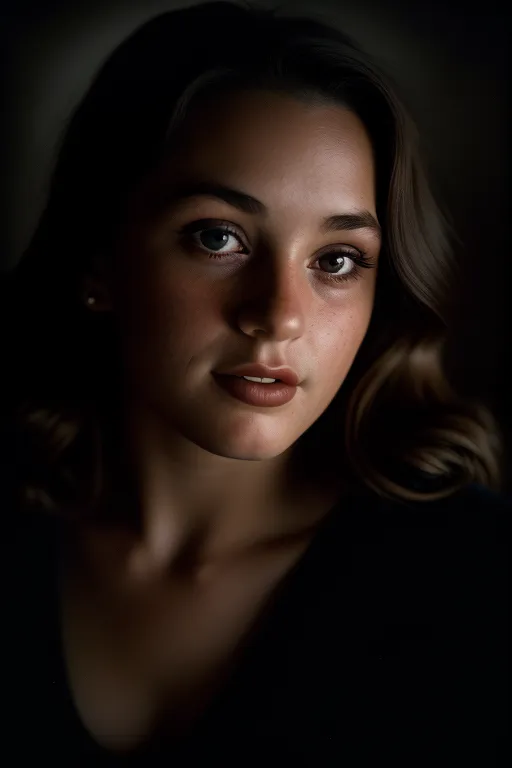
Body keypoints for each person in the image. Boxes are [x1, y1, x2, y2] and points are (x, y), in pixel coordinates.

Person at [1, 1, 508, 764]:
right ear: (100, 261)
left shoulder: (479, 582)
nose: (279, 318)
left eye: (336, 260)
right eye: (220, 237)